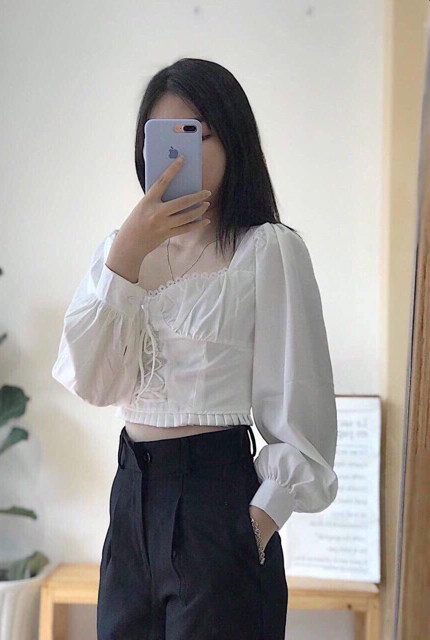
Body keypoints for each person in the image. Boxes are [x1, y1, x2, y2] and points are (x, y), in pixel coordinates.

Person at [52, 58, 339, 640]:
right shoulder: (119, 254)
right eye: (163, 137)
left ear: (234, 140)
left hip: (218, 508)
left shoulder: (266, 251)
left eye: (198, 134)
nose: (179, 155)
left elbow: (303, 417)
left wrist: (254, 525)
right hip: (130, 503)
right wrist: (126, 257)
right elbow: (91, 381)